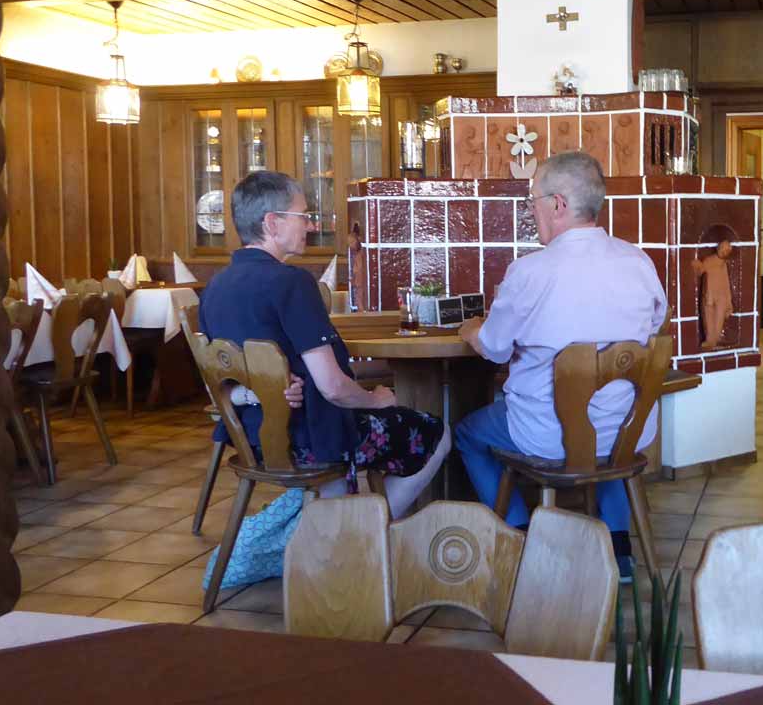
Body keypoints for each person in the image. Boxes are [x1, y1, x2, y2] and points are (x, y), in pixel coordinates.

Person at [455, 151, 668, 580]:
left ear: (557, 204)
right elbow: (654, 325)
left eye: (533, 200)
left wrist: (470, 329)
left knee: (466, 434)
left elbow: (494, 349)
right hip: (628, 431)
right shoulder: (638, 262)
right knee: (606, 418)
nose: (530, 210)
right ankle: (619, 549)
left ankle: (520, 537)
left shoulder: (529, 272)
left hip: (545, 435)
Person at [201, 171, 449, 517]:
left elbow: (218, 385)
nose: (311, 225)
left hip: (250, 438)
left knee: (352, 429)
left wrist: (259, 394)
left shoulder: (215, 287)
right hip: (309, 441)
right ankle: (360, 531)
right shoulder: (292, 283)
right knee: (437, 432)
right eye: (303, 216)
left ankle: (334, 525)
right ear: (272, 223)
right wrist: (377, 399)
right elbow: (333, 388)